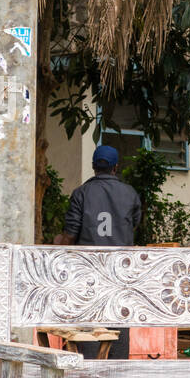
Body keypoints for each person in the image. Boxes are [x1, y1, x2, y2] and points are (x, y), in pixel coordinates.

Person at [54, 145, 142, 359]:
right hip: (120, 270)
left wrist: (58, 242)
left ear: (94, 166)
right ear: (116, 167)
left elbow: (71, 235)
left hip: (88, 271)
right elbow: (135, 224)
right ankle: (116, 371)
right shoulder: (130, 194)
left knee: (90, 320)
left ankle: (88, 370)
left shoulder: (81, 193)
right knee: (119, 318)